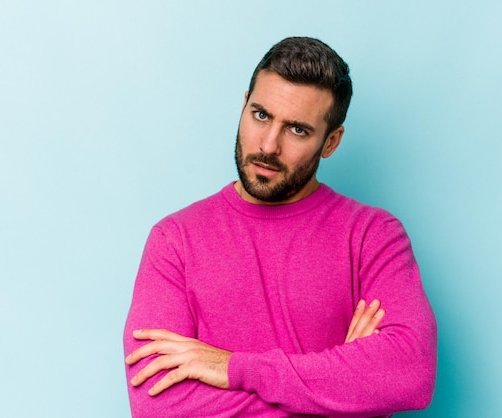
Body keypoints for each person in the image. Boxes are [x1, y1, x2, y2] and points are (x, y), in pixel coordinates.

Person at [124, 36, 437, 417]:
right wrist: (343, 397)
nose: (269, 145)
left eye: (297, 130)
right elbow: (159, 405)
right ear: (243, 105)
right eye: (260, 115)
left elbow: (409, 374)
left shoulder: (373, 236)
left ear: (331, 142)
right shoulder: (175, 240)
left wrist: (234, 367)